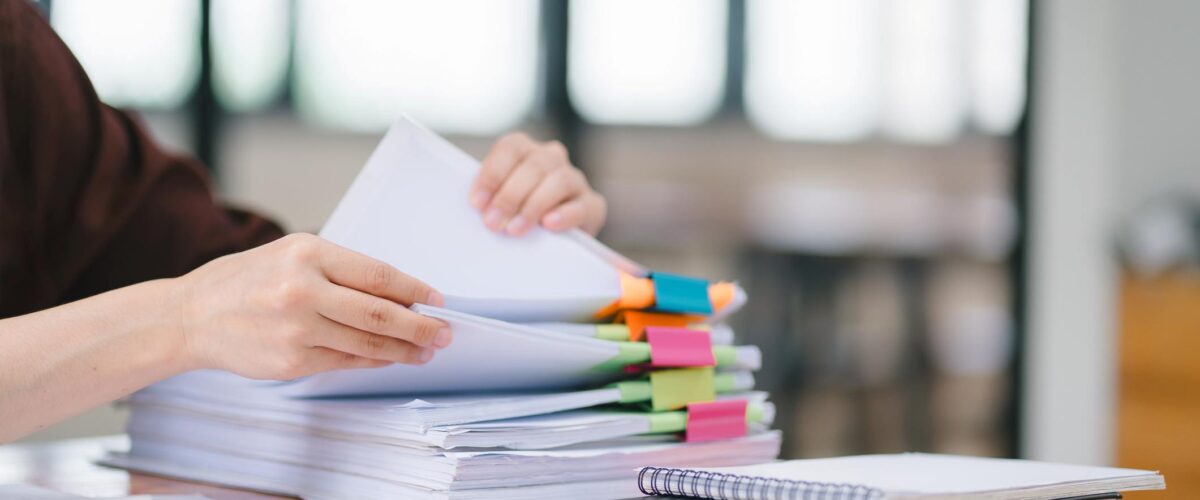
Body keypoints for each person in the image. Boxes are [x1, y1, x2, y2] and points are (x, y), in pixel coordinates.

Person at [0, 0, 607, 442]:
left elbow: (245, 283)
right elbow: (202, 303)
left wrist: (520, 237)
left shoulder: (15, 59)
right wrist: (182, 319)